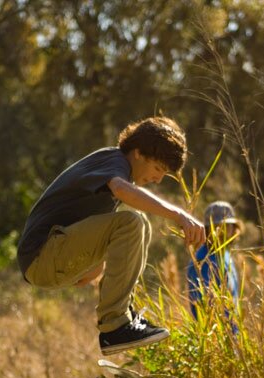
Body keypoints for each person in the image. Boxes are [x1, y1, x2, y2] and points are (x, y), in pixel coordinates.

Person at [17, 116, 205, 355]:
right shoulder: (114, 160)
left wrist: (96, 263)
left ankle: (124, 318)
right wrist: (179, 215)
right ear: (137, 153)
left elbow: (94, 228)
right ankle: (116, 327)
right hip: (41, 254)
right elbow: (123, 190)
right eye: (157, 169)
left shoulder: (113, 179)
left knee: (139, 223)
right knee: (132, 221)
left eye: (163, 174)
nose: (157, 179)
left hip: (49, 260)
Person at [186, 201, 241, 323]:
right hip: (215, 335)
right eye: (219, 227)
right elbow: (203, 306)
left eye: (228, 226)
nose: (224, 231)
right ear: (207, 229)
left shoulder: (225, 255)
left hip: (231, 332)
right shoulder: (203, 260)